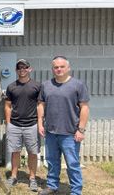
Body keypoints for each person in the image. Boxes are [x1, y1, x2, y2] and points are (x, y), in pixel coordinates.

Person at [37, 56, 90, 195]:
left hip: (70, 133)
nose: (59, 69)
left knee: (72, 164)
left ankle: (76, 191)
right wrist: (40, 123)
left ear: (68, 68)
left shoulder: (78, 85)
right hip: (51, 132)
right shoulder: (46, 85)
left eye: (62, 66)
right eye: (56, 67)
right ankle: (52, 186)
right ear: (52, 69)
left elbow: (84, 108)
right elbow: (41, 104)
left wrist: (81, 130)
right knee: (52, 161)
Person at [4, 59, 41, 192]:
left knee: (32, 152)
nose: (22, 70)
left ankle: (32, 178)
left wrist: (40, 123)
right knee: (15, 152)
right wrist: (8, 123)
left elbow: (40, 105)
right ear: (16, 70)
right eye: (19, 68)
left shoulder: (37, 86)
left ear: (30, 69)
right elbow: (7, 106)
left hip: (32, 125)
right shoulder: (11, 87)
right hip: (14, 124)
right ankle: (13, 176)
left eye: (25, 67)